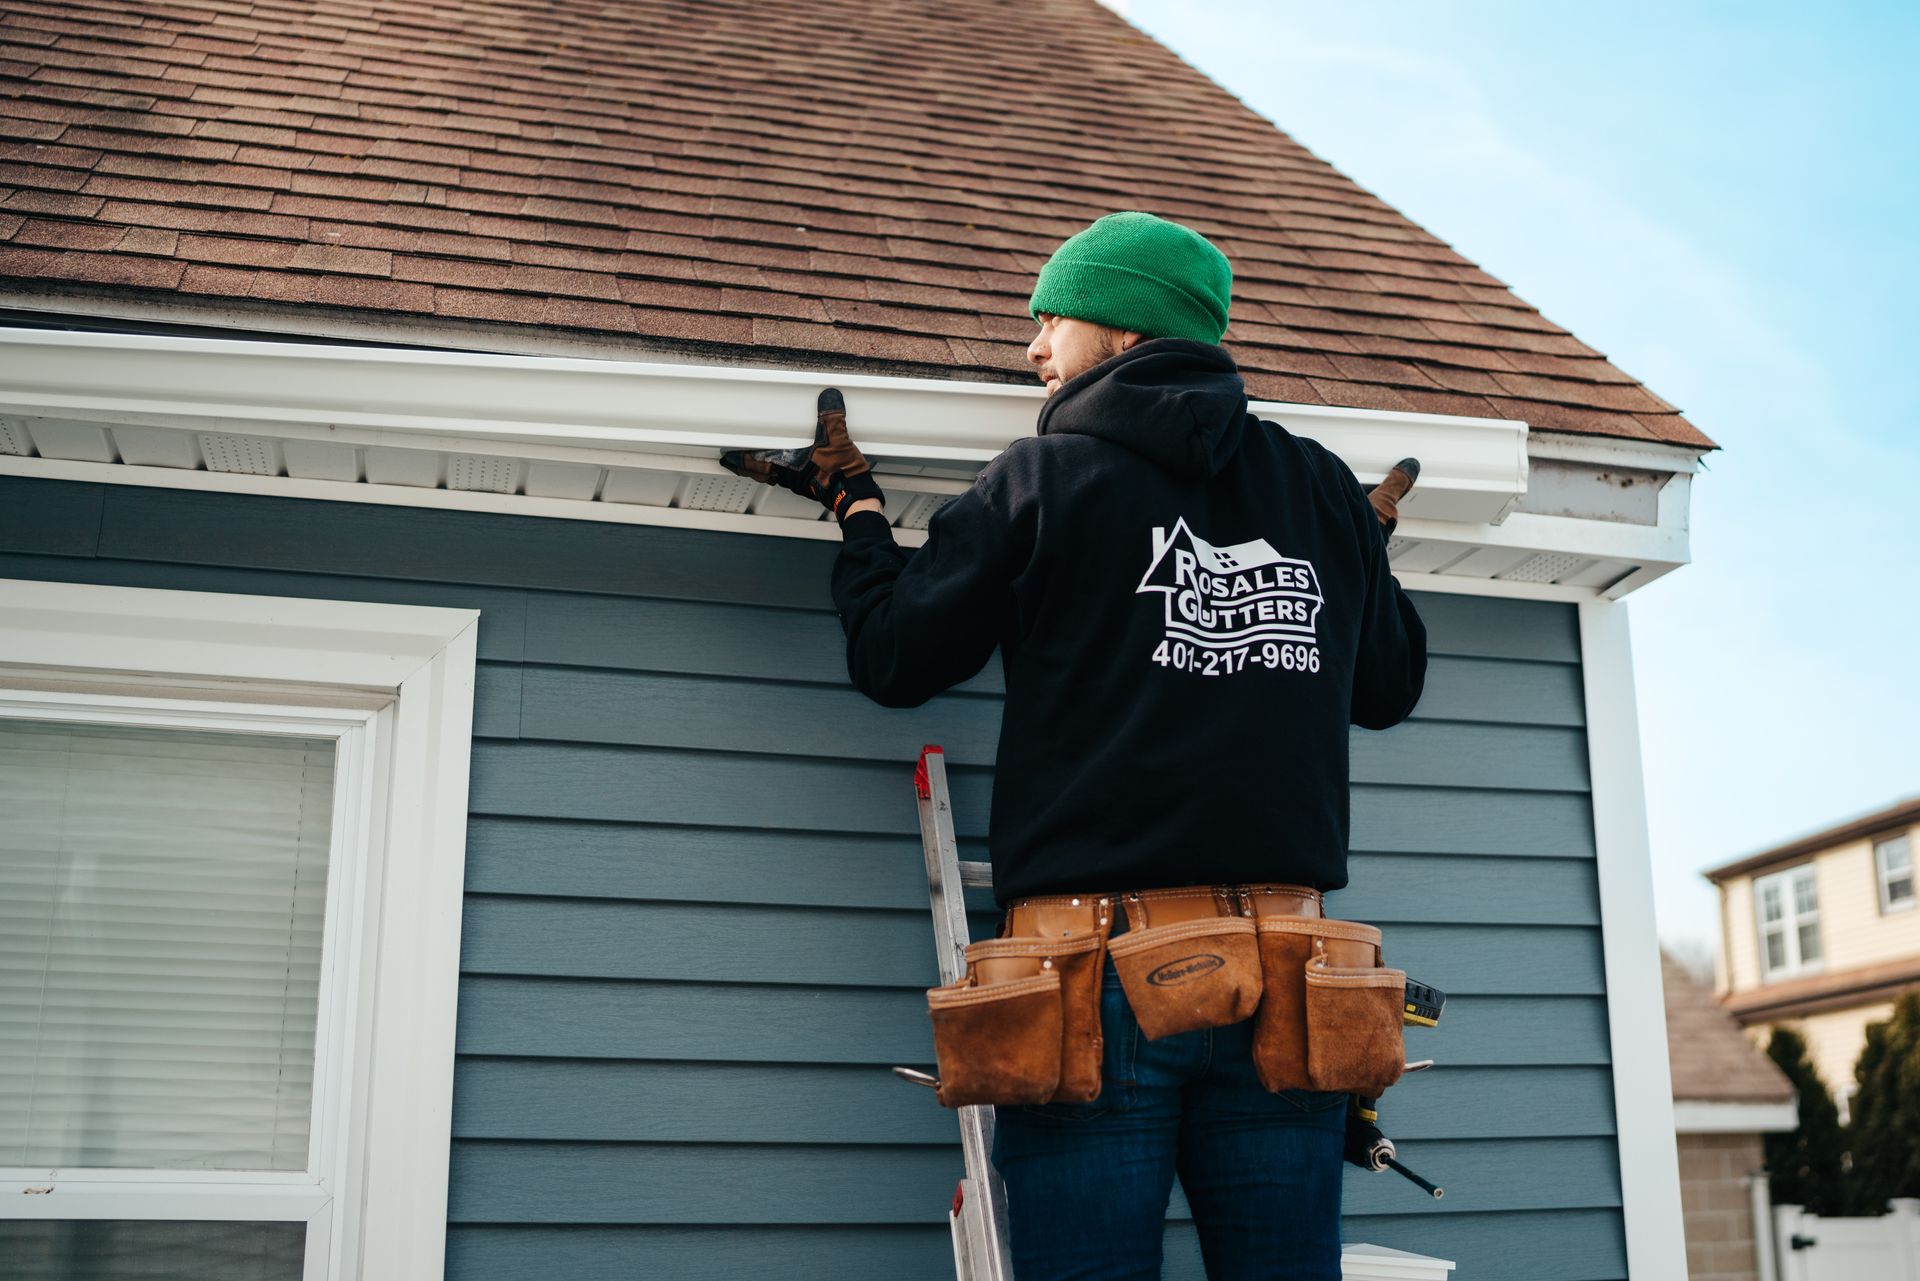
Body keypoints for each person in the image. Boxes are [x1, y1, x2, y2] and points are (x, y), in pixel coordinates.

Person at [723, 211, 1427, 1281]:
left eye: (1049, 317)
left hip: (1091, 980)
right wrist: (1355, 555)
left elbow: (896, 657)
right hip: (1292, 978)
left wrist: (857, 507)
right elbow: (1389, 686)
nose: (1033, 346)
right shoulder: (1321, 486)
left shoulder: (1041, 477)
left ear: (1121, 326)